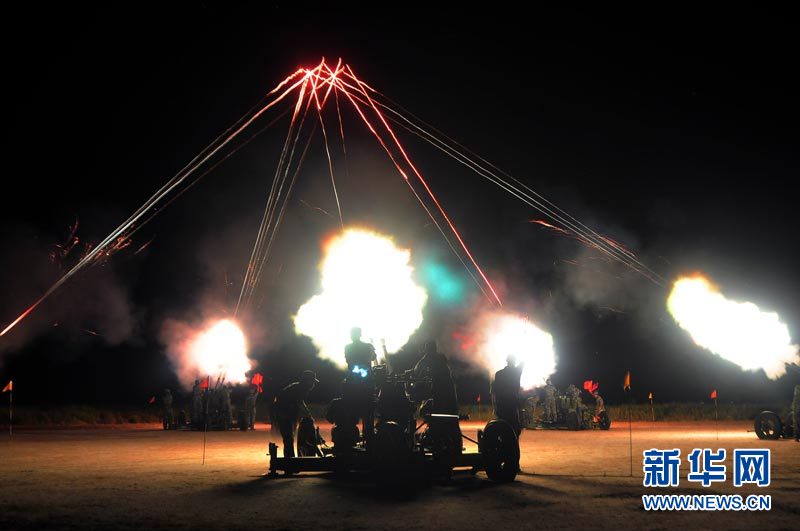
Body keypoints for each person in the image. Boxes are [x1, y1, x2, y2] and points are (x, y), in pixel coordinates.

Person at [272, 371, 319, 458]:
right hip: (283, 413)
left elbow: (300, 402)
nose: (313, 384)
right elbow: (299, 403)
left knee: (289, 438)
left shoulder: (299, 387)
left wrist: (308, 415)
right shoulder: (301, 388)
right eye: (312, 381)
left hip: (287, 413)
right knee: (288, 438)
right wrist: (309, 416)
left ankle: (290, 459)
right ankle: (289, 461)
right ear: (307, 381)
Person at [413, 340, 458, 415]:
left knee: (437, 407)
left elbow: (417, 369)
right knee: (451, 407)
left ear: (427, 348)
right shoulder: (441, 357)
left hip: (439, 386)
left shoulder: (427, 358)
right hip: (449, 385)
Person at [491, 355, 523, 436]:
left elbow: (494, 392)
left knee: (502, 428)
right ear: (514, 362)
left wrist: (494, 407)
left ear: (507, 361)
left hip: (501, 405)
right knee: (514, 429)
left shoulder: (498, 374)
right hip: (512, 404)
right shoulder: (516, 372)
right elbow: (523, 362)